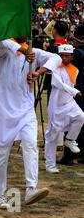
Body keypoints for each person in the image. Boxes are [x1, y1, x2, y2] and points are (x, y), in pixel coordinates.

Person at [0, 38, 62, 210]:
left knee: (30, 144)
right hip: (3, 110)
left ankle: (31, 189)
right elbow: (1, 40)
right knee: (0, 152)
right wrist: (22, 49)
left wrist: (39, 72)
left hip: (26, 109)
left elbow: (56, 58)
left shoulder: (34, 53)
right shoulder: (4, 52)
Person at [44, 44, 84, 173]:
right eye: (62, 56)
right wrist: (74, 91)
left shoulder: (75, 70)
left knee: (81, 117)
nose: (64, 58)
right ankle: (50, 164)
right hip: (56, 104)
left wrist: (72, 92)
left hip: (68, 102)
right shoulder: (54, 68)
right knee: (53, 135)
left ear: (72, 56)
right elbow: (58, 84)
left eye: (67, 56)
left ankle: (70, 139)